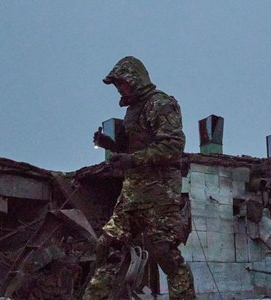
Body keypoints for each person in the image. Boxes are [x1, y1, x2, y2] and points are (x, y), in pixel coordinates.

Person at [83, 56, 195, 300]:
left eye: (122, 83)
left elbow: (172, 146)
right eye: (117, 85)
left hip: (159, 195)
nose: (120, 89)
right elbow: (132, 147)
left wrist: (132, 160)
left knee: (164, 252)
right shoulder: (132, 111)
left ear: (135, 80)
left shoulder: (159, 103)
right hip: (132, 195)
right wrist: (108, 143)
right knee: (107, 246)